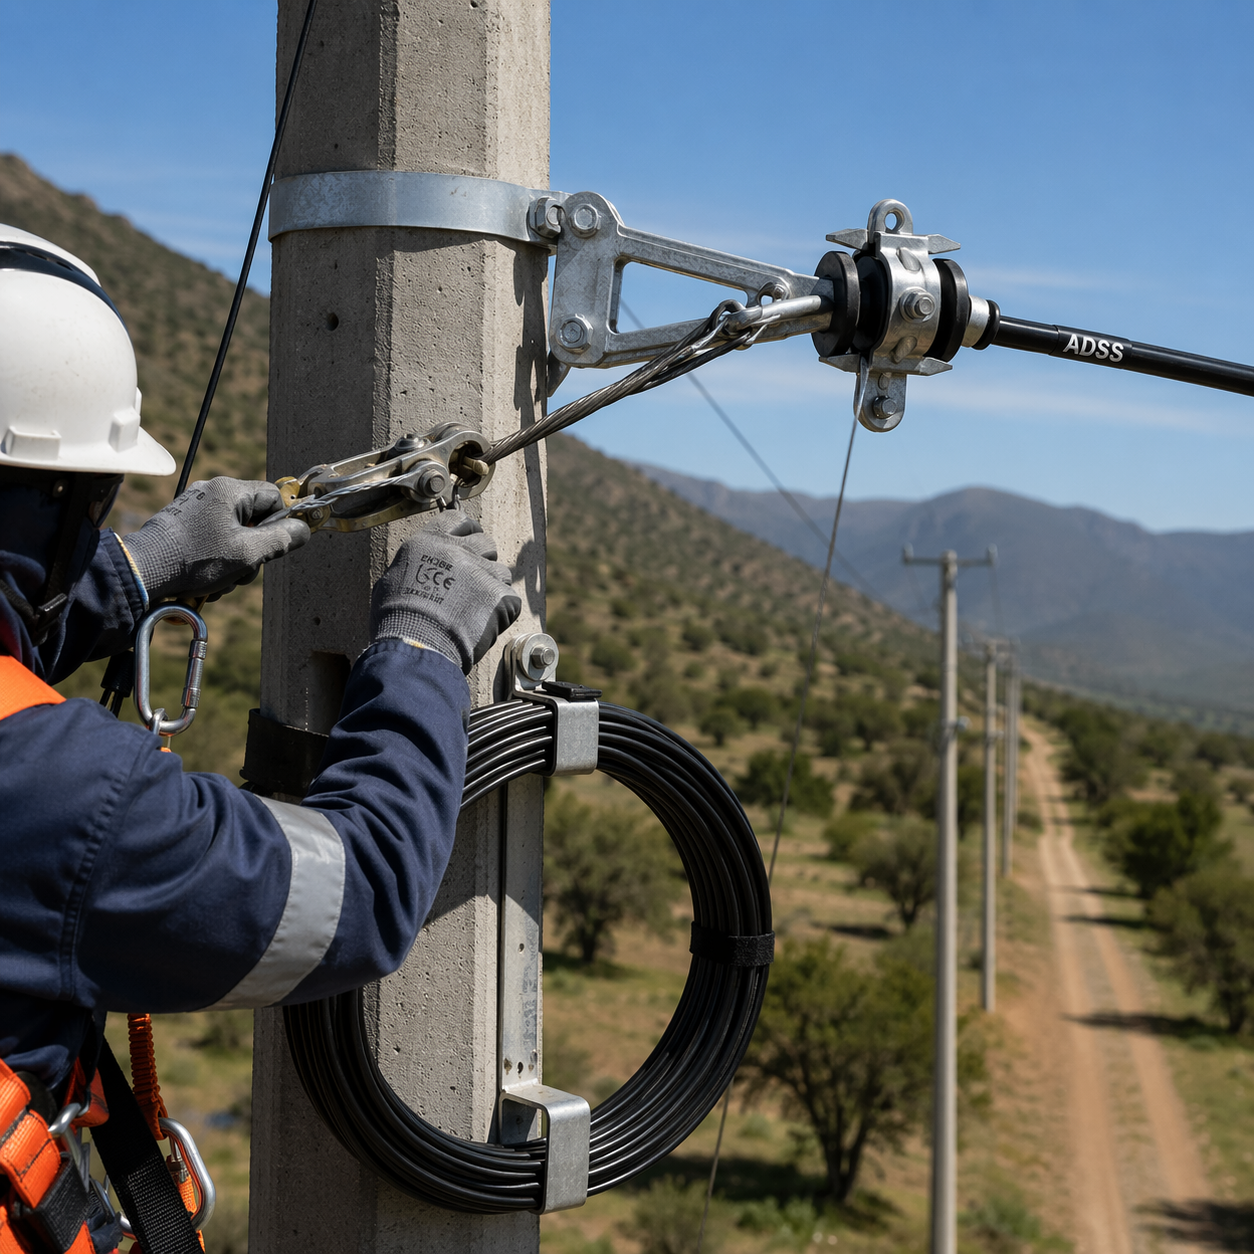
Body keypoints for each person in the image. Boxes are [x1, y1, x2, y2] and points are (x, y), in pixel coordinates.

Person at [0, 225, 520, 1241]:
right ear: (64, 502)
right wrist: (422, 651)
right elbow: (363, 893)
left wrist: (134, 574)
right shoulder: (56, 792)